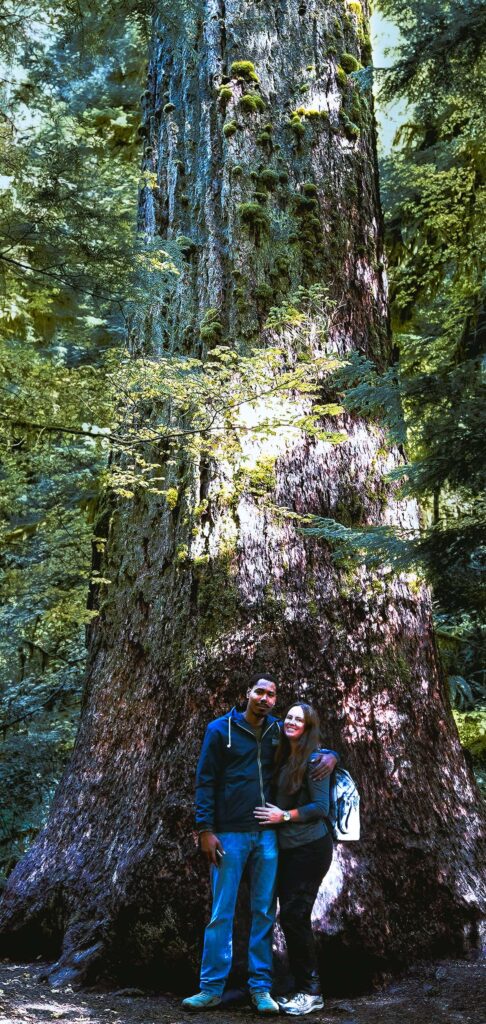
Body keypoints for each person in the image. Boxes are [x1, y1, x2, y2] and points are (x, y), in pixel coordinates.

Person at [182, 676, 338, 1015]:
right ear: (247, 694)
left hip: (268, 836)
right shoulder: (219, 730)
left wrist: (332, 755)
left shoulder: (277, 731)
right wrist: (204, 830)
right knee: (221, 912)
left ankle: (260, 988)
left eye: (271, 695)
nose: (265, 699)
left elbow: (309, 743)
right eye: (260, 692)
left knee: (264, 911)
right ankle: (210, 988)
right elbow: (205, 781)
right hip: (229, 834)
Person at [254, 702, 333, 1016]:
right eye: (288, 716)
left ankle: (311, 992)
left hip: (310, 849)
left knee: (294, 916)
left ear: (308, 726)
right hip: (289, 850)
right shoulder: (284, 752)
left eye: (298, 719)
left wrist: (283, 815)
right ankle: (300, 985)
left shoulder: (315, 761)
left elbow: (320, 807)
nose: (291, 722)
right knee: (290, 916)